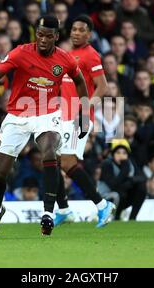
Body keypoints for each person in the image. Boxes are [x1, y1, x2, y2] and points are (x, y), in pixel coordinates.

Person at [0, 15, 90, 235]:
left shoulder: (65, 59)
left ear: (56, 37)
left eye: (48, 36)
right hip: (18, 114)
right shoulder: (21, 52)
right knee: (0, 173)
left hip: (48, 114)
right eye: (40, 35)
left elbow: (79, 81)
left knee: (49, 152)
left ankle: (48, 214)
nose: (43, 40)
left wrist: (84, 114)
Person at [53, 15, 115, 228]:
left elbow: (103, 87)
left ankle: (102, 205)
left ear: (89, 34)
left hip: (76, 117)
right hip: (62, 114)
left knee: (68, 163)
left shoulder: (90, 55)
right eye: (73, 29)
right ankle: (63, 209)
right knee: (51, 159)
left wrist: (85, 111)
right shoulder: (68, 54)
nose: (76, 33)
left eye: (81, 30)